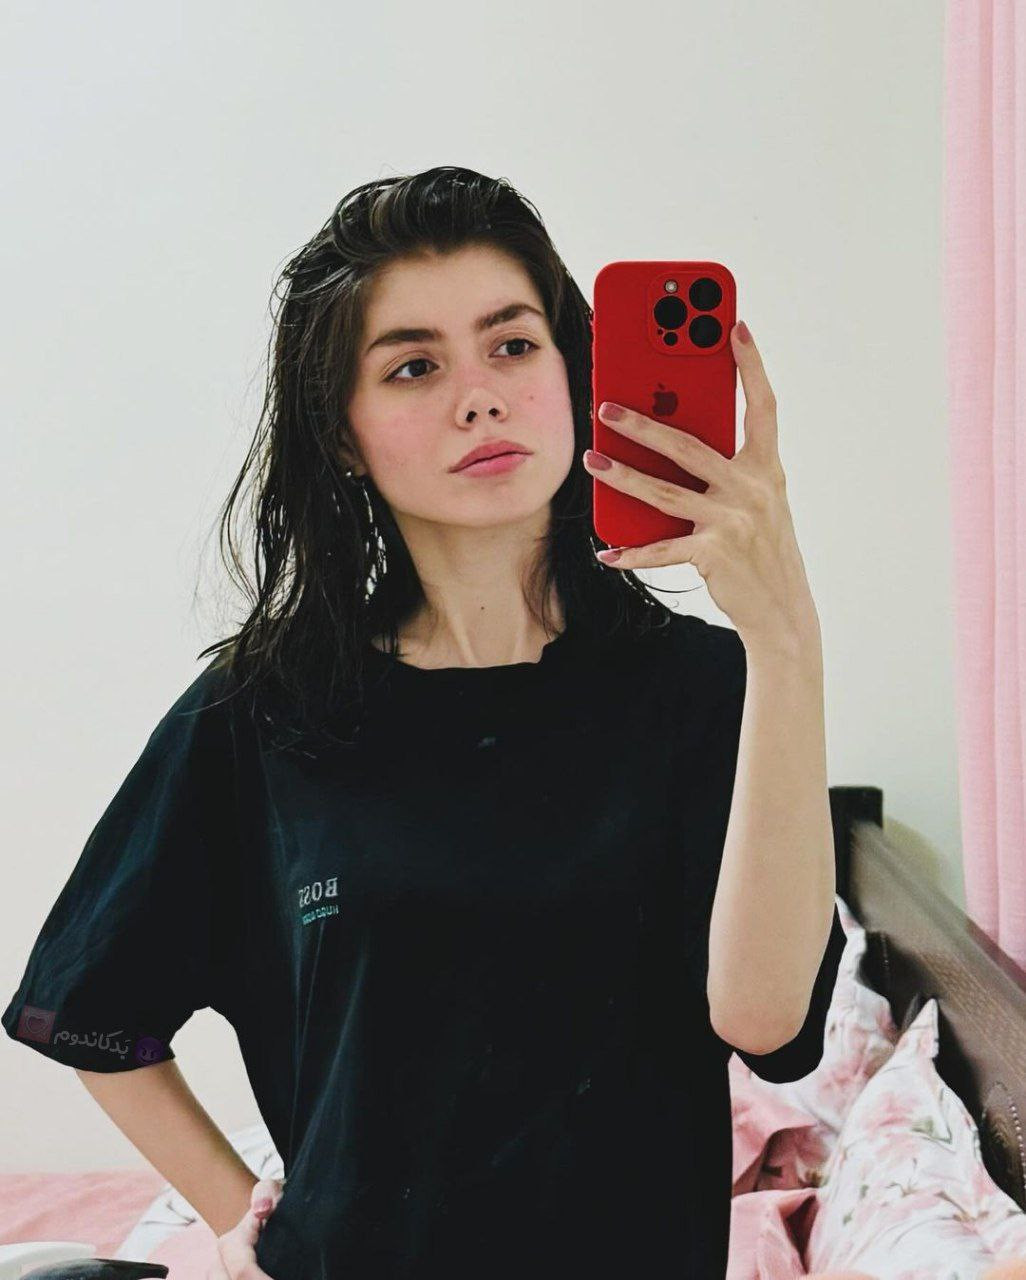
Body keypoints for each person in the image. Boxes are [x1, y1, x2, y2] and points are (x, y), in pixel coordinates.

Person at [2, 166, 846, 1280]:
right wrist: (242, 1221)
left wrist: (785, 638)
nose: (479, 397)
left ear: (574, 372)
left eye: (513, 345)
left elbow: (766, 1020)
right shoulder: (265, 709)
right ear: (343, 434)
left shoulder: (704, 686)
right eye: (414, 366)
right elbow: (89, 1013)